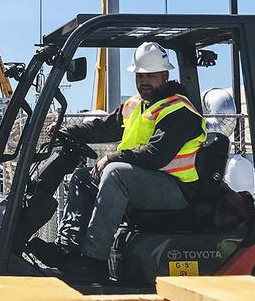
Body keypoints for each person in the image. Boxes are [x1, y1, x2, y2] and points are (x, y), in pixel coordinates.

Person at [30, 41, 207, 282]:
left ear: (165, 76)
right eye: (140, 75)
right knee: (84, 177)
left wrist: (112, 157)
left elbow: (155, 156)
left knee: (115, 173)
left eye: (151, 76)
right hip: (148, 182)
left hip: (176, 188)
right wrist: (68, 130)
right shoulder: (136, 104)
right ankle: (68, 247)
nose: (144, 81)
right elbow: (104, 127)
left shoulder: (179, 110)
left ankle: (93, 261)